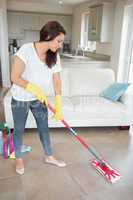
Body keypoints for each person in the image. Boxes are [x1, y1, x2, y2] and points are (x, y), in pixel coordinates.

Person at [10, 21, 66, 175]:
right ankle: (19, 159)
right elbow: (14, 77)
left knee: (44, 128)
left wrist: (59, 104)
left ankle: (49, 156)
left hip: (39, 100)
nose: (60, 45)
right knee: (19, 130)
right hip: (21, 99)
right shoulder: (26, 50)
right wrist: (33, 88)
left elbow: (57, 80)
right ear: (48, 36)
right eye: (59, 41)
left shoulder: (54, 55)